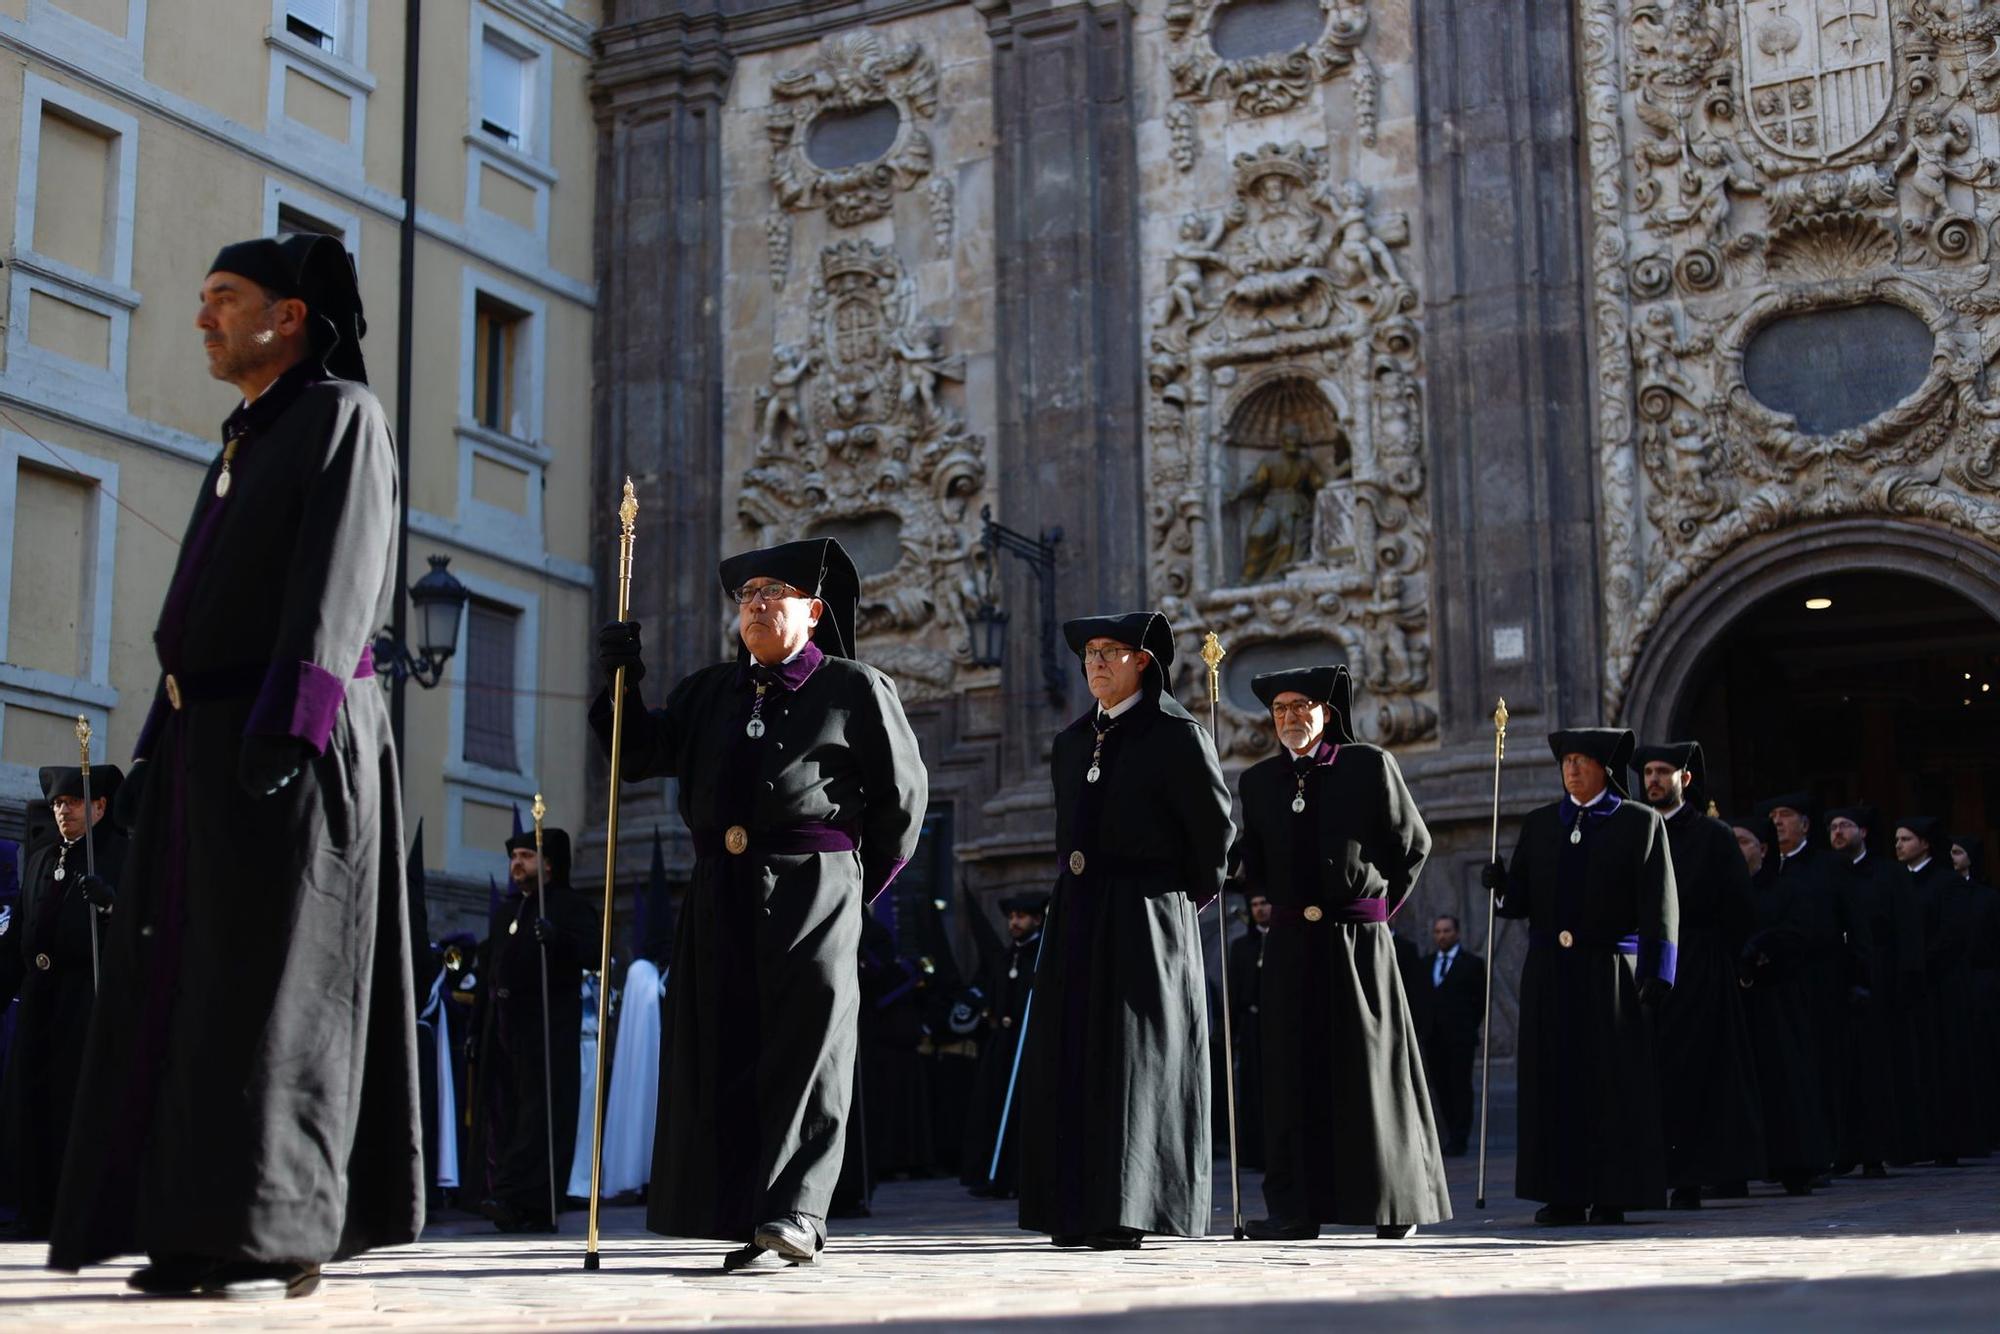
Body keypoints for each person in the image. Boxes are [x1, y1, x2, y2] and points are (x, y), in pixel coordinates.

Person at [46, 236, 419, 1299]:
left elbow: (336, 588)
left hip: (286, 743)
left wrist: (288, 735)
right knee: (195, 996)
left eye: (225, 298)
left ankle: (275, 1228)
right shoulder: (248, 437)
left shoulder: (343, 415)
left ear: (288, 315)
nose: (203, 316)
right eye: (202, 297)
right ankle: (193, 1222)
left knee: (276, 995)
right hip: (208, 747)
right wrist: (158, 755)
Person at [592, 537, 927, 1271]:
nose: (757, 605)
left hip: (816, 886)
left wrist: (850, 890)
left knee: (806, 1051)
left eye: (773, 592)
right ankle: (743, 1212)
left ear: (813, 608)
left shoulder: (854, 688)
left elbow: (902, 805)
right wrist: (621, 681)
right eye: (746, 596)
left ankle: (797, 1211)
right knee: (727, 1045)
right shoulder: (709, 691)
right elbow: (639, 753)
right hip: (720, 890)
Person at [1016, 612, 1230, 1250]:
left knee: (1135, 1061)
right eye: (1089, 653)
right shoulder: (1073, 739)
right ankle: (1073, 1205)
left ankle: (1128, 1207)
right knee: (1074, 1050)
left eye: (1111, 651)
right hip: (1080, 908)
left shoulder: (1175, 733)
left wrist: (1173, 903)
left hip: (1146, 910)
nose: (1096, 663)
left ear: (1143, 661)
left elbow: (1214, 836)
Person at [1233, 664, 1446, 1240]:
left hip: (1356, 946)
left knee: (1368, 1071)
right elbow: (1249, 863)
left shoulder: (1368, 764)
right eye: (1279, 710)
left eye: (1302, 706)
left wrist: (1373, 912)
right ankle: (1295, 1210)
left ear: (1328, 713)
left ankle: (1391, 1204)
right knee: (1291, 1074)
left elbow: (1413, 847)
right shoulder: (1257, 783)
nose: (1290, 718)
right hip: (1289, 948)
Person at [1481, 727, 1677, 1225]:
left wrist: (1658, 970)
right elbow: (1519, 901)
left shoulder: (1639, 823)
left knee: (1609, 1084)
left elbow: (1659, 904)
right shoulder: (1542, 823)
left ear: (1604, 769)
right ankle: (1562, 1193)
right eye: (1566, 760)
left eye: (1581, 760)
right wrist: (1501, 886)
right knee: (1556, 1082)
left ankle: (1611, 1192)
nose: (1571, 768)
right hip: (1551, 973)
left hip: (1609, 972)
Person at [1631, 743, 1763, 1209]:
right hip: (1646, 964)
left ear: (1683, 779)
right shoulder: (1635, 830)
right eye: (1647, 771)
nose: (1652, 780)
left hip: (1700, 963)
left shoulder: (1713, 835)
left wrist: (1730, 962)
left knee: (1703, 1070)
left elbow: (1740, 909)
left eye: (1662, 771)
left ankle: (1703, 1173)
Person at [0, 766, 124, 1239]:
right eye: (56, 803)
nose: (61, 810)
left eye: (72, 802)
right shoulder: (41, 857)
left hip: (83, 997)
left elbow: (140, 932)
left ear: (98, 807)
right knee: (29, 1103)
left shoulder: (116, 854)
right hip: (40, 994)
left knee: (72, 1105)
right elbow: (20, 935)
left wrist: (112, 905)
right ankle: (33, 1208)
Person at [470, 827, 595, 1232]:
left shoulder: (571, 906)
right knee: (505, 1115)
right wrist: (477, 1027)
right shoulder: (508, 910)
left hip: (547, 1029)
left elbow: (592, 952)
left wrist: (557, 939)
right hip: (505, 1029)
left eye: (525, 855)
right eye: (513, 857)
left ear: (549, 863)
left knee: (539, 1117)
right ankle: (509, 1200)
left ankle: (518, 1197)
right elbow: (490, 971)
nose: (516, 864)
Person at [1733, 811, 1830, 1195]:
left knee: (1784, 1081)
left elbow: (1800, 936)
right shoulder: (1728, 893)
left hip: (1777, 998)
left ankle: (1795, 1164)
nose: (1736, 849)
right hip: (1738, 999)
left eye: (1742, 841)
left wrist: (1764, 951)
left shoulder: (1787, 888)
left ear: (1763, 848)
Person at [1757, 792, 1850, 1167]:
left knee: (1827, 1065)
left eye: (1786, 815)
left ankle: (1833, 1149)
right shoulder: (1768, 869)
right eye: (1773, 815)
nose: (1778, 821)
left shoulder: (1828, 866)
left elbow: (1848, 918)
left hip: (1823, 977)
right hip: (1781, 982)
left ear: (1806, 824)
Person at [1898, 817, 1992, 1163]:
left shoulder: (1946, 883)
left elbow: (1952, 935)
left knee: (1946, 1060)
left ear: (1924, 843)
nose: (1899, 845)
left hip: (1942, 985)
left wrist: (1920, 963)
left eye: (1906, 839)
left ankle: (1951, 1140)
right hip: (1911, 986)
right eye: (1897, 839)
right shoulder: (1899, 882)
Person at [1826, 806, 1903, 1176]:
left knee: (1873, 1072)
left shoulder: (1887, 874)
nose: (1838, 832)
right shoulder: (1825, 873)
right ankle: (1843, 1150)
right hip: (1835, 985)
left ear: (1864, 832)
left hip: (1876, 981)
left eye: (1845, 826)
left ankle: (1875, 1153)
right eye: (1833, 827)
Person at [961, 893, 1047, 1198]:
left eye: (1021, 917)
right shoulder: (1007, 954)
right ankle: (991, 1175)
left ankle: (1020, 1178)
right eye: (1011, 917)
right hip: (1002, 1042)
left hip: (1028, 1044)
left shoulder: (1041, 954)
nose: (1014, 922)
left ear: (1037, 919)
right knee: (991, 1104)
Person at [1414, 914, 1485, 1159]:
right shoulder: (1425, 963)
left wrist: (1466, 1027)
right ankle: (1449, 1135)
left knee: (1460, 1087)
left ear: (1456, 933)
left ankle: (1460, 1138)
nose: (1442, 935)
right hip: (1434, 1039)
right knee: (1442, 1087)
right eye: (1438, 931)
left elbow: (1480, 1002)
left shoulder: (1472, 964)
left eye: (1446, 931)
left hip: (1460, 1038)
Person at [1226, 892, 1272, 1171]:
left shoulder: (1280, 940)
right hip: (1252, 1024)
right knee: (1252, 1089)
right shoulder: (1242, 946)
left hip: (1276, 1024)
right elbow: (1234, 990)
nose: (1259, 909)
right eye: (1254, 905)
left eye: (1263, 903)